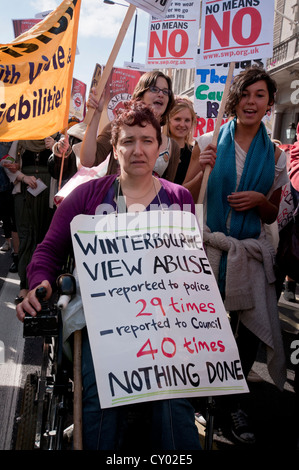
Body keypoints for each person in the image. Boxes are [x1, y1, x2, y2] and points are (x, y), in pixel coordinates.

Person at [16, 101, 202, 451]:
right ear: (115, 150)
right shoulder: (87, 196)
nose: (138, 149)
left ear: (160, 146)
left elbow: (192, 266)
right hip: (100, 324)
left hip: (164, 324)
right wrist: (40, 282)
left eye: (146, 140)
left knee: (175, 401)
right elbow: (50, 249)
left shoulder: (179, 199)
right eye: (128, 141)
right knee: (101, 393)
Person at [183, 66, 288, 444]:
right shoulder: (208, 140)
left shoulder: (276, 156)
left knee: (244, 336)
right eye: (245, 94)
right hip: (208, 250)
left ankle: (232, 405)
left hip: (249, 254)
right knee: (203, 329)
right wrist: (203, 168)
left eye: (260, 95)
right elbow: (185, 194)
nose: (251, 102)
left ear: (269, 105)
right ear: (235, 98)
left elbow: (274, 214)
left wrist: (261, 201)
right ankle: (196, 397)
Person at [80, 70, 180, 181]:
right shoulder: (118, 128)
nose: (161, 94)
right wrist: (96, 114)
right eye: (154, 89)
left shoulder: (172, 147)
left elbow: (169, 188)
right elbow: (88, 160)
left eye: (165, 92)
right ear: (141, 95)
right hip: (120, 197)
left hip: (153, 198)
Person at [5, 135, 60, 302]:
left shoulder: (56, 138)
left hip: (47, 193)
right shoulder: (21, 137)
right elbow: (6, 162)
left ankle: (41, 286)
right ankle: (25, 286)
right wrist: (23, 177)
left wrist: (56, 149)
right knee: (27, 237)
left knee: (44, 239)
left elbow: (67, 167)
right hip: (24, 194)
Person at [166, 96, 197, 185]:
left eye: (187, 120)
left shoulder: (195, 153)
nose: (182, 124)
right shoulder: (159, 149)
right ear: (168, 120)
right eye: (177, 119)